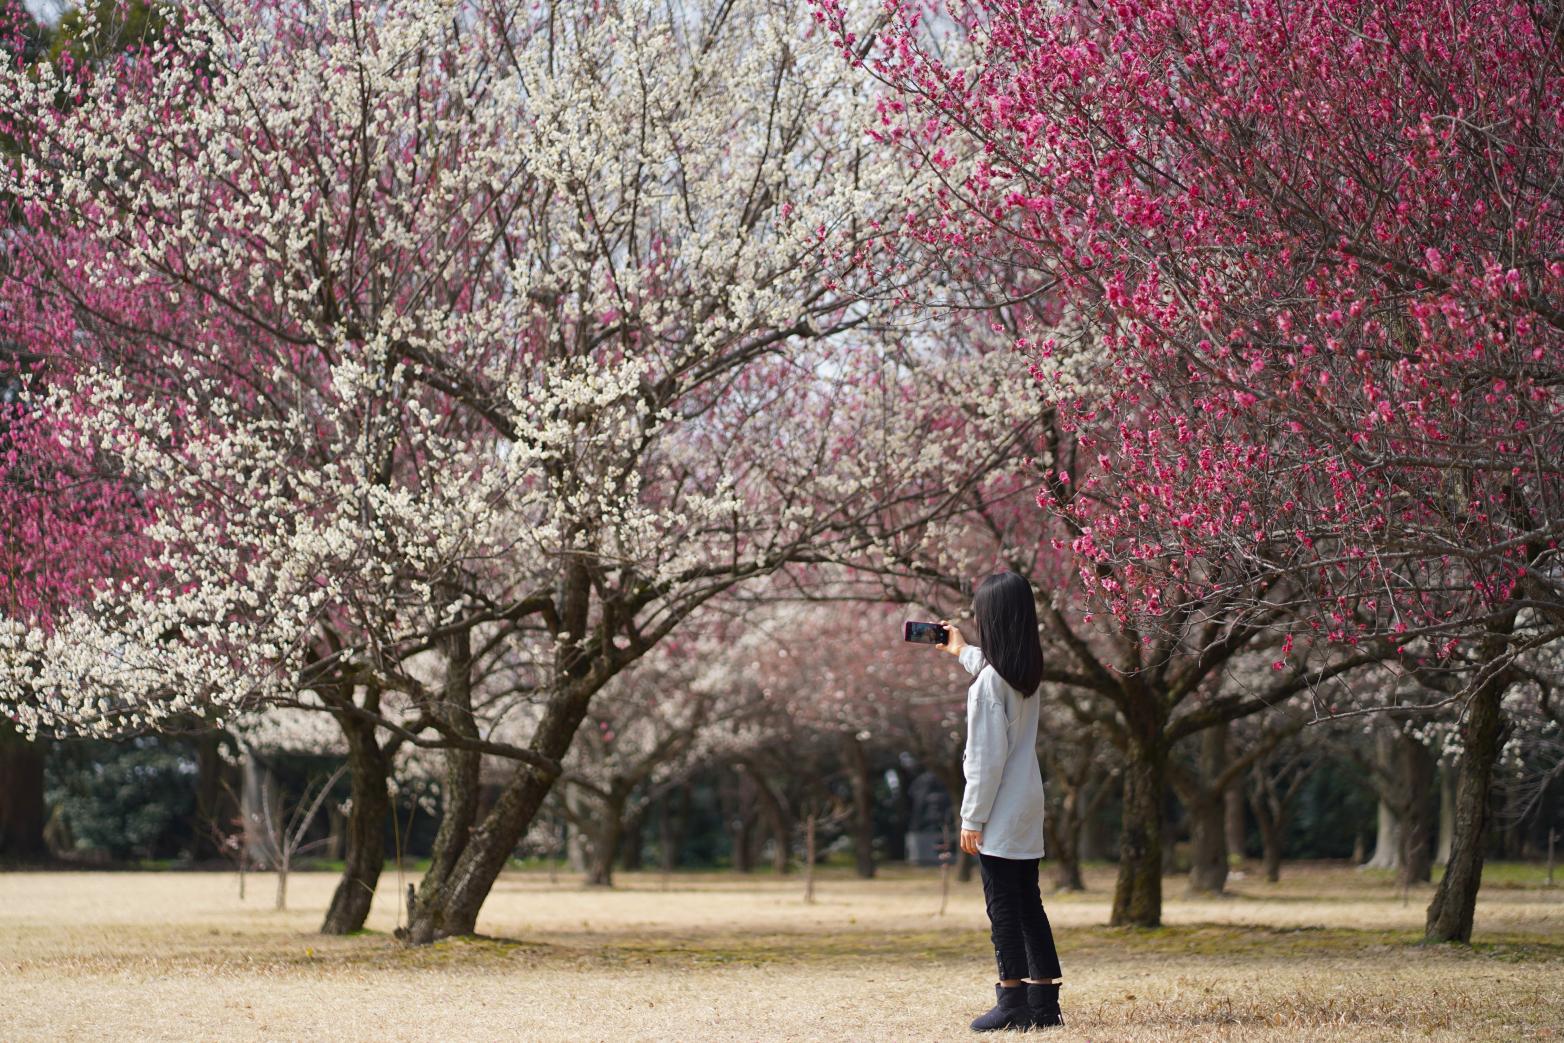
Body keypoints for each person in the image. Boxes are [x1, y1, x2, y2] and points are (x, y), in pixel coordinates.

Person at [938, 571, 1063, 1031]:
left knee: (1003, 907)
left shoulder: (990, 685)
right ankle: (1044, 1004)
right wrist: (960, 650)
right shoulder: (1026, 673)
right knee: (1028, 903)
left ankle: (1011, 1002)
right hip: (1026, 803)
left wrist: (971, 818)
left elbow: (984, 761)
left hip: (998, 810)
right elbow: (989, 669)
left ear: (991, 619)